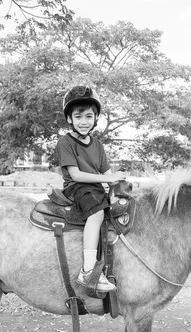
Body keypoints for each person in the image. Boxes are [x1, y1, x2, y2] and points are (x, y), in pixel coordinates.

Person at [56, 86, 126, 293]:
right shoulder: (65, 142)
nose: (84, 121)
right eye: (78, 116)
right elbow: (76, 174)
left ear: (95, 118)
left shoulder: (97, 144)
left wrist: (118, 182)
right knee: (96, 213)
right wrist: (107, 178)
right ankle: (87, 271)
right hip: (77, 188)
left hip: (95, 189)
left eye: (89, 116)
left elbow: (106, 172)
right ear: (69, 119)